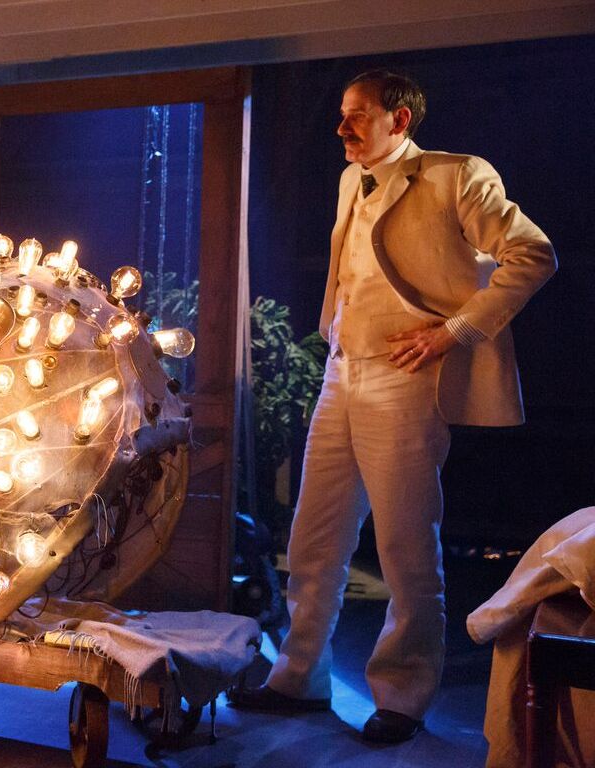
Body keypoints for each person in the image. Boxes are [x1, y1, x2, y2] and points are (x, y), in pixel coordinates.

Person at [228, 70, 556, 743]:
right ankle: (298, 678)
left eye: (357, 115)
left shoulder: (455, 175)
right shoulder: (352, 180)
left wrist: (455, 331)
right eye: (342, 114)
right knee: (314, 538)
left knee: (405, 544)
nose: (341, 128)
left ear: (399, 120)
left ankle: (404, 696)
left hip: (407, 379)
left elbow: (533, 253)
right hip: (342, 373)